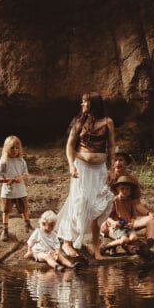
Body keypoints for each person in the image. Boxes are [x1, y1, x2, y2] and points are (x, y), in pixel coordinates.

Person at [55, 92, 115, 260]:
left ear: (93, 104)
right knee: (79, 202)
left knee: (97, 206)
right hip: (81, 168)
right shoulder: (78, 122)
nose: (82, 105)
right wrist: (71, 166)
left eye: (85, 102)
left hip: (100, 170)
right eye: (82, 102)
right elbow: (69, 146)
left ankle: (96, 247)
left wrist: (111, 170)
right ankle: (67, 241)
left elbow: (111, 147)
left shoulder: (108, 122)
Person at [99, 175, 154, 260]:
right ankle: (108, 246)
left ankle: (147, 247)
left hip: (127, 226)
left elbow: (133, 215)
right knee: (124, 240)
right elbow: (107, 216)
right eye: (122, 188)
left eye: (127, 189)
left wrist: (132, 222)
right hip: (118, 227)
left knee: (134, 238)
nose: (125, 191)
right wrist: (113, 223)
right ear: (117, 189)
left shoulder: (130, 201)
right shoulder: (114, 201)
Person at [0, 135, 30, 242]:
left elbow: (25, 173)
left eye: (17, 148)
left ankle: (27, 225)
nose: (15, 150)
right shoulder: (4, 161)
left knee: (24, 208)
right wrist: (6, 180)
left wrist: (21, 177)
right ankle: (5, 230)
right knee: (6, 211)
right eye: (12, 148)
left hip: (20, 190)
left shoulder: (21, 160)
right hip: (8, 191)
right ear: (6, 148)